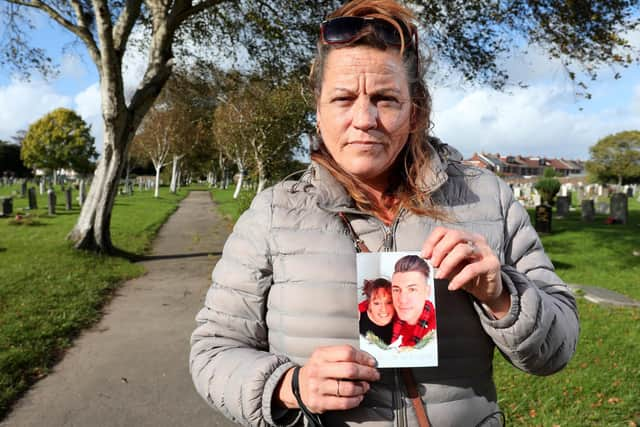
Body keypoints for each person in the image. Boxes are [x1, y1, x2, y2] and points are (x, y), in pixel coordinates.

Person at [190, 0, 579, 425]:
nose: (364, 119)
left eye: (386, 99)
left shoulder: (488, 198)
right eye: (342, 98)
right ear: (318, 112)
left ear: (416, 111)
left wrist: (501, 292)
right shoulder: (273, 213)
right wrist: (290, 386)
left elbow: (556, 350)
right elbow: (212, 352)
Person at [390, 255, 436, 348]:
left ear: (427, 292)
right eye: (396, 290)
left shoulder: (435, 328)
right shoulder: (386, 316)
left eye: (412, 290)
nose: (402, 300)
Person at [359, 278, 395, 344]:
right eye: (377, 303)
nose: (384, 309)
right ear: (369, 304)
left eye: (389, 302)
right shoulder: (357, 321)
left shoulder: (402, 320)